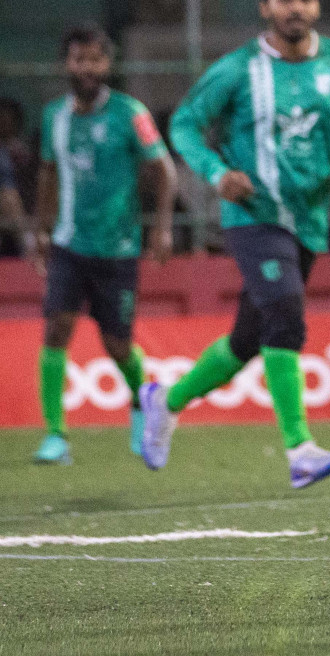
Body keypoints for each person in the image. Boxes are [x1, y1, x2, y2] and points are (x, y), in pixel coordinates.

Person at [142, 0, 330, 489]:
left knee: (247, 341)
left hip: (308, 220)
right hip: (252, 215)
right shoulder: (237, 70)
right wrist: (216, 172)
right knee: (286, 315)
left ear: (318, 5)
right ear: (265, 6)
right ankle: (300, 448)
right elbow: (184, 123)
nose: (296, 7)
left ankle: (166, 399)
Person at [26, 26, 176, 465]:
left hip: (118, 248)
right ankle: (56, 435)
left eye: (95, 59)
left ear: (107, 65)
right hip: (69, 245)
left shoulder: (130, 113)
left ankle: (142, 403)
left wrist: (162, 228)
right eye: (78, 59)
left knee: (118, 347)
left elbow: (163, 170)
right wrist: (40, 229)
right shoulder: (54, 115)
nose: (86, 68)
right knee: (56, 330)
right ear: (66, 64)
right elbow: (48, 173)